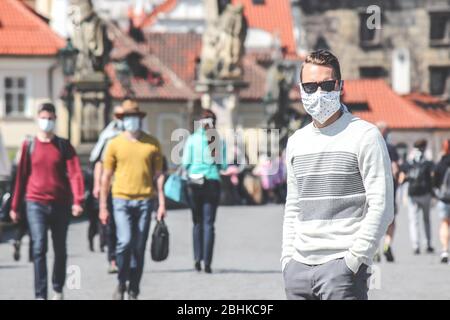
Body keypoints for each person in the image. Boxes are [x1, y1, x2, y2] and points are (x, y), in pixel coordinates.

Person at [282, 50, 394, 300]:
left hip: (341, 268)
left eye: (327, 85)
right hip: (298, 269)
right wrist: (287, 260)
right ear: (300, 89)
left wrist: (354, 260)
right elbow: (293, 206)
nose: (318, 93)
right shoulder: (296, 141)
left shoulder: (365, 136)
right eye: (310, 87)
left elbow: (383, 206)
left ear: (340, 86)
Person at [10, 103, 84, 300]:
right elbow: (21, 177)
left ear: (55, 120)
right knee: (38, 246)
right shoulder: (29, 145)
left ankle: (57, 288)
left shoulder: (64, 146)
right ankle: (40, 294)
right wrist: (15, 206)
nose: (47, 122)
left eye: (50, 118)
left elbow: (75, 174)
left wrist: (78, 200)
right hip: (35, 203)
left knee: (60, 249)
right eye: (43, 118)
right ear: (37, 119)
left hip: (60, 203)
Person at [99, 100, 166, 300]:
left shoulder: (152, 143)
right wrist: (103, 206)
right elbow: (106, 176)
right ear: (123, 120)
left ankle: (134, 288)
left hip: (145, 199)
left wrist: (161, 203)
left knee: (139, 246)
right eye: (128, 118)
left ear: (140, 119)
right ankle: (121, 281)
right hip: (121, 199)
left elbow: (159, 175)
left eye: (135, 117)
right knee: (125, 242)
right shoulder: (115, 144)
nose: (132, 121)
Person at [182, 109, 227, 273]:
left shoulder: (192, 140)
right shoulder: (218, 140)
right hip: (212, 183)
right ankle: (208, 262)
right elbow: (223, 166)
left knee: (197, 223)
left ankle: (197, 259)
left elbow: (185, 163)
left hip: (195, 184)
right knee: (209, 224)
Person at [89, 105, 124, 274]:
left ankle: (124, 255)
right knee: (110, 226)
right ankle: (113, 258)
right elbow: (99, 163)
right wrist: (97, 184)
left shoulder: (134, 136)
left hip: (128, 187)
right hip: (110, 187)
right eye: (118, 114)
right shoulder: (108, 136)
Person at [402, 139, 434, 255]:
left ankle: (416, 245)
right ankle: (428, 244)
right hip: (425, 194)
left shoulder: (410, 161)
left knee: (413, 221)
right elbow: (432, 177)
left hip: (412, 194)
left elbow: (403, 176)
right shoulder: (427, 161)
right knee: (426, 220)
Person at [375, 122, 400, 262]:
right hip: (389, 190)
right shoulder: (390, 148)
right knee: (391, 220)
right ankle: (387, 245)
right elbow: (395, 169)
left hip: (373, 188)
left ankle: (375, 250)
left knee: (374, 219)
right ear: (385, 131)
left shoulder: (371, 146)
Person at [432, 139, 450, 263]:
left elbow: (434, 182)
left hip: (444, 198)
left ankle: (444, 250)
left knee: (444, 223)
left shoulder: (440, 163)